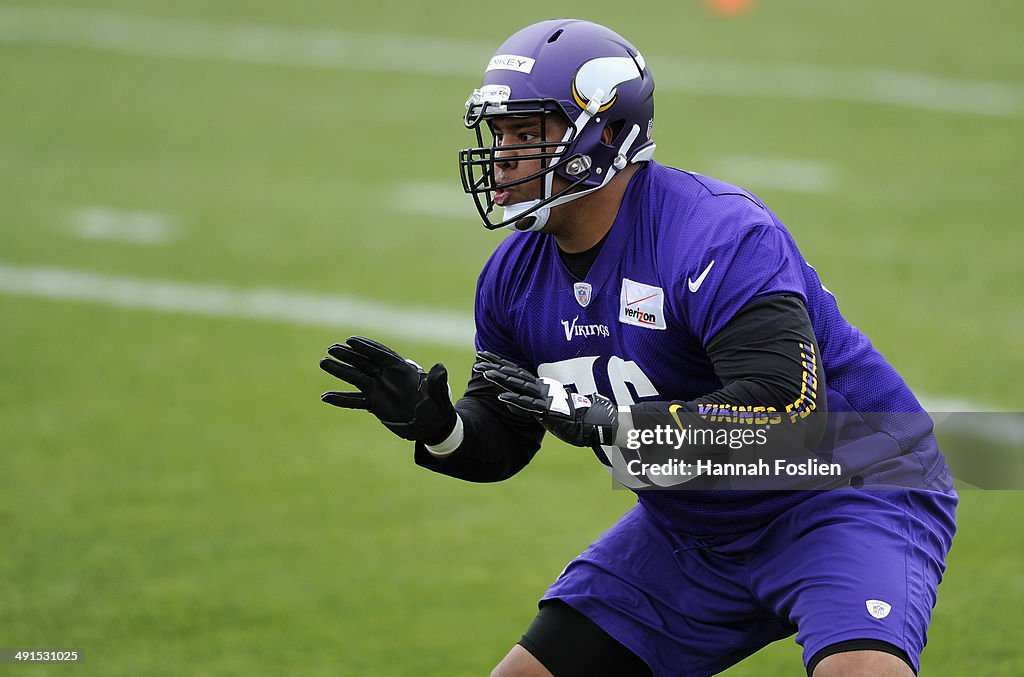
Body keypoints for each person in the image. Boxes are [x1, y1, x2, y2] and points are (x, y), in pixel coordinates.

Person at [319, 19, 957, 677]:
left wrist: (619, 426)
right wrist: (442, 426)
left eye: (527, 133)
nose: (504, 154)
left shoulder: (717, 234)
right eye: (500, 133)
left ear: (604, 134)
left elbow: (786, 414)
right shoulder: (513, 274)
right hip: (694, 524)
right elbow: (506, 434)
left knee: (860, 671)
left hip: (845, 493)